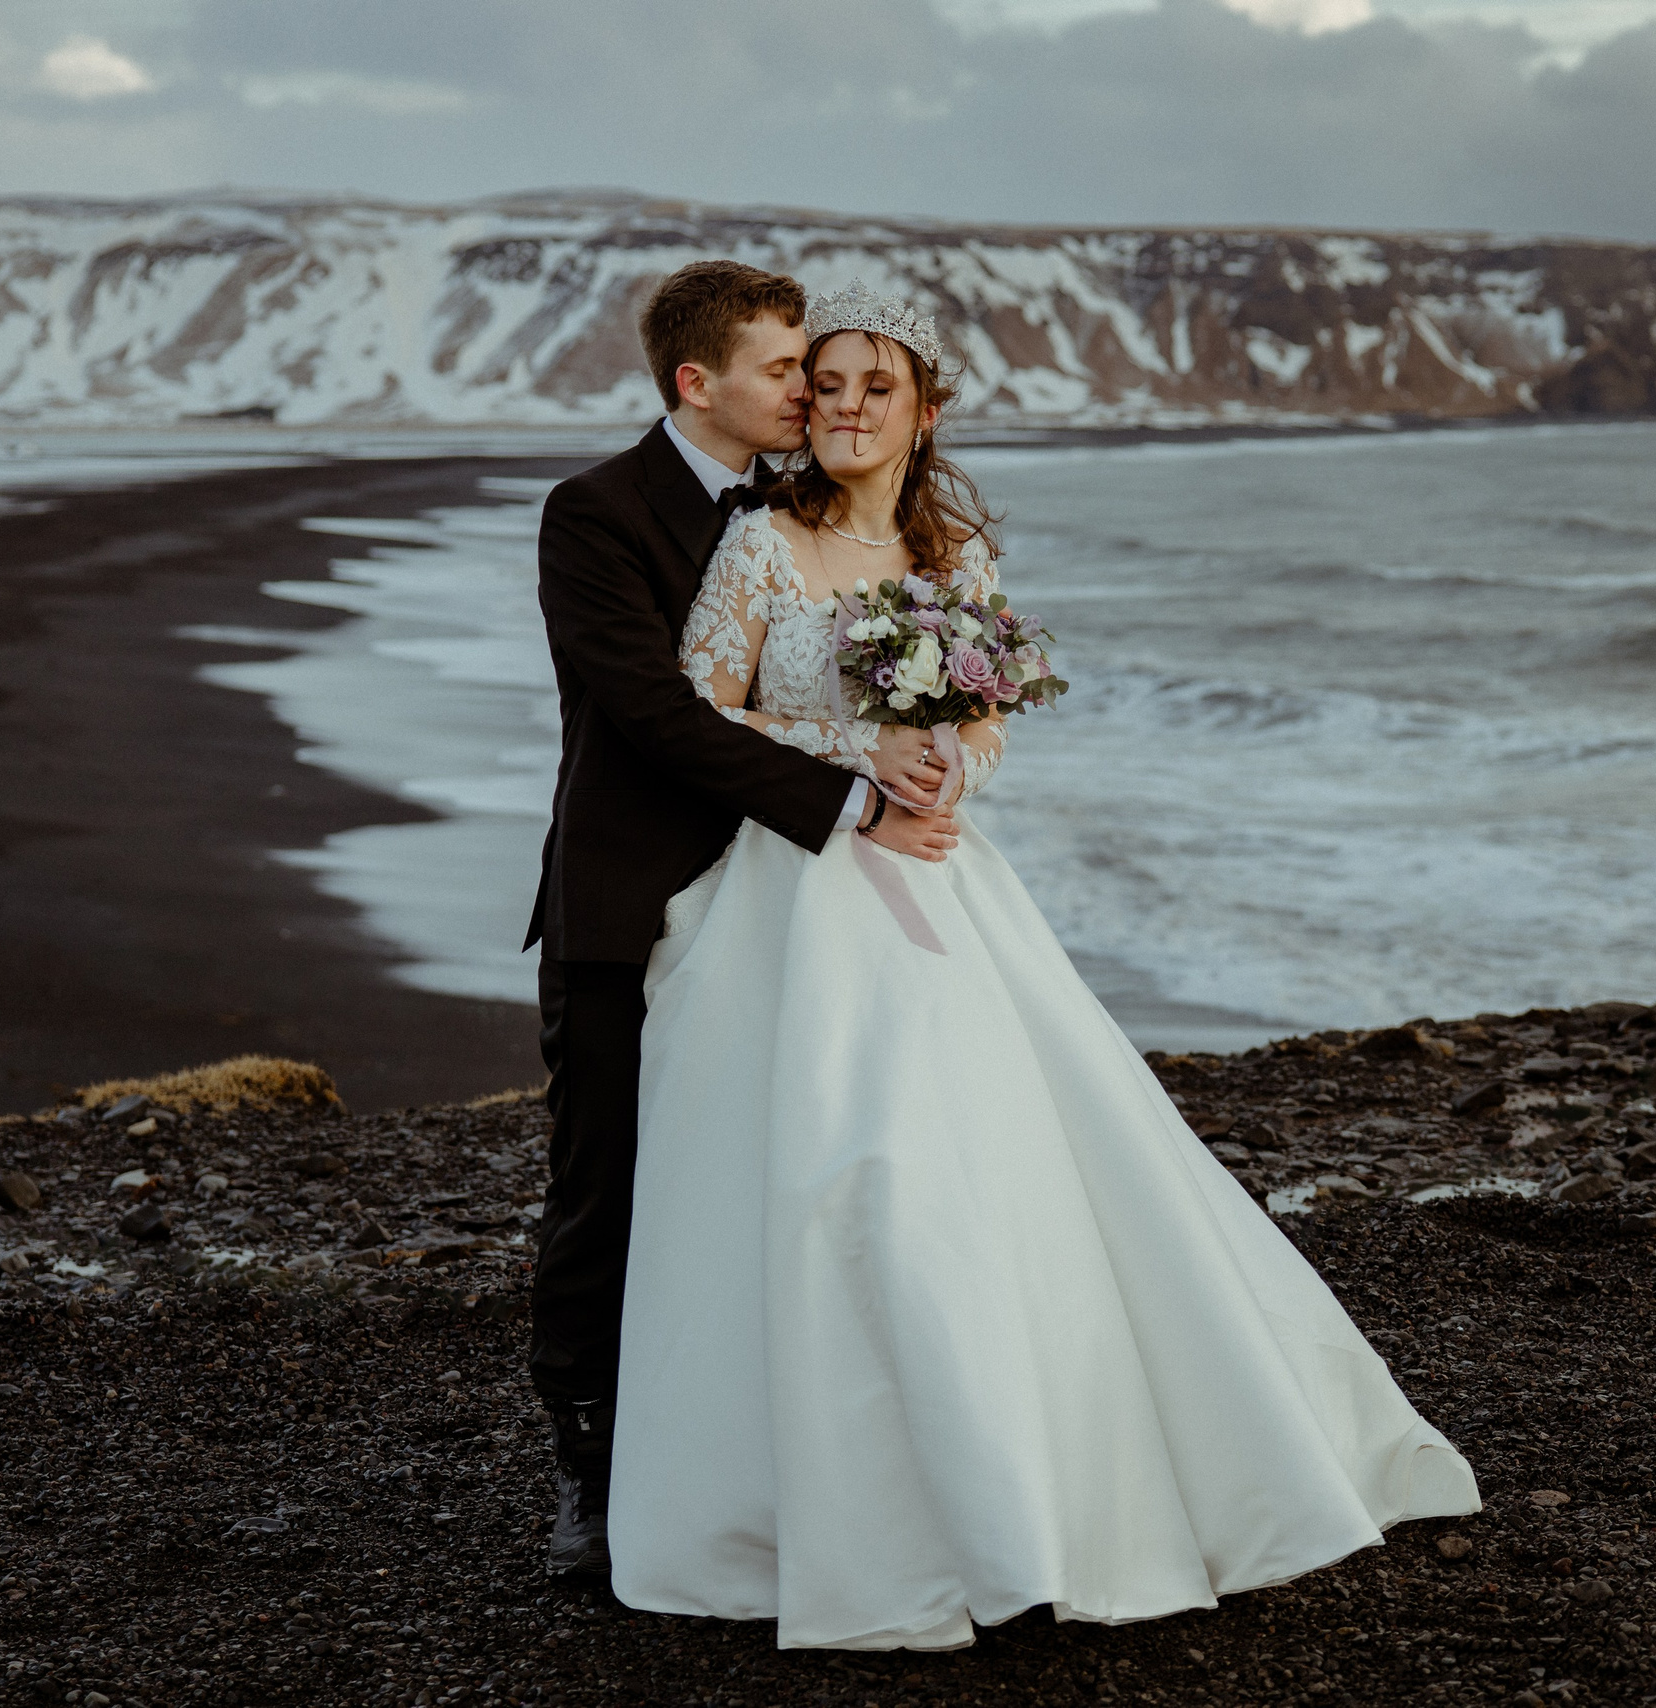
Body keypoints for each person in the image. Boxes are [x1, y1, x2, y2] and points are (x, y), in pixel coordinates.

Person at [606, 283, 1482, 1650]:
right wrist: (856, 757)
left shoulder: (957, 566)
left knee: (998, 1166)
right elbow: (705, 704)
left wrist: (952, 764)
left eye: (870, 387)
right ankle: (844, 1508)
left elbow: (990, 724)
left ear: (924, 410)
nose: (840, 406)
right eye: (822, 384)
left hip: (944, 889)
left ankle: (1039, 1473)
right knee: (852, 1168)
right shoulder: (760, 547)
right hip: (800, 897)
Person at [525, 262, 958, 1579]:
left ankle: (785, 1459)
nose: (806, 389)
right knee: (612, 1191)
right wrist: (852, 800)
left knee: (800, 1187)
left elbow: (910, 661)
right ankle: (593, 1478)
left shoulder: (810, 509)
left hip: (802, 916)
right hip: (634, 904)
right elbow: (656, 714)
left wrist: (937, 760)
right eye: (784, 369)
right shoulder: (593, 515)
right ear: (693, 383)